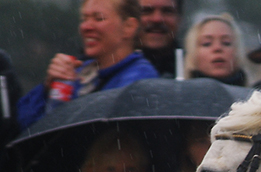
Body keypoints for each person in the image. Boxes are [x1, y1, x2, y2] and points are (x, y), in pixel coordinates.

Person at [17, 0, 158, 130]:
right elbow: (23, 126)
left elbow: (101, 135)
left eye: (99, 18)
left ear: (129, 27)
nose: (86, 27)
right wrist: (47, 88)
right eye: (84, 19)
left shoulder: (140, 79)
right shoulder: (78, 72)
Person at [183, 13, 249, 85]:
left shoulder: (256, 95)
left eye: (226, 43)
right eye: (207, 43)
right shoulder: (178, 93)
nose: (217, 48)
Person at [138, 0, 183, 77]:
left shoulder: (193, 69)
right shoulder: (112, 67)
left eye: (167, 11)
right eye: (146, 11)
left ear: (179, 19)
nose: (157, 19)